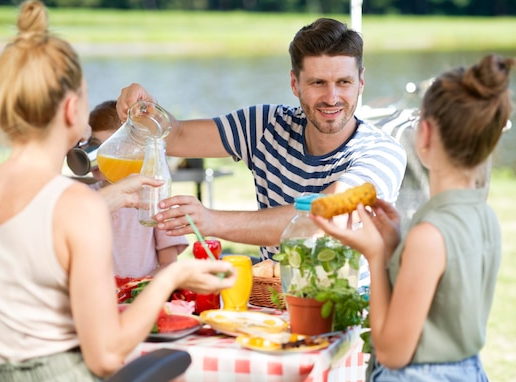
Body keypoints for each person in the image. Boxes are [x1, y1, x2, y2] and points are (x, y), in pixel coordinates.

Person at [0, 2, 235, 382]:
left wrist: (113, 197)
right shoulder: (76, 208)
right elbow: (104, 354)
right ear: (71, 109)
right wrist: (173, 274)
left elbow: (38, 225)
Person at [116, 17, 407, 288]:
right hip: (271, 301)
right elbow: (176, 136)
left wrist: (212, 221)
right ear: (295, 83)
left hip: (351, 309)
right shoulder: (265, 125)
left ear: (361, 82)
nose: (332, 98)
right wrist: (142, 109)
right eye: (318, 83)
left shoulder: (382, 153)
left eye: (343, 82)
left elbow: (320, 220)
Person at [311, 54, 516, 382]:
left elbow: (394, 354)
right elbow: (442, 302)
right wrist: (395, 245)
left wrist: (377, 257)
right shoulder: (480, 215)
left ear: (424, 133)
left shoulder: (430, 234)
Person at [88, 100, 189, 277]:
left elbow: (168, 264)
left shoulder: (153, 198)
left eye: (112, 147)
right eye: (95, 145)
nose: (100, 156)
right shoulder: (83, 199)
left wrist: (135, 290)